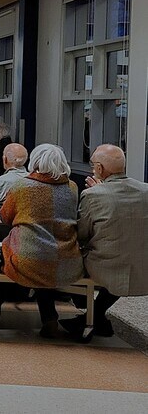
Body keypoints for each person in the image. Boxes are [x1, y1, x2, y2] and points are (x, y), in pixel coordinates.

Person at [0, 144, 83, 338]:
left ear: (34, 162)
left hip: (28, 258)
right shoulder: (72, 187)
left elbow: (5, 217)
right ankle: (49, 318)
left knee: (6, 260)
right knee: (45, 266)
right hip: (66, 257)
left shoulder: (22, 187)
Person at [62, 145, 148, 340]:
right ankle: (98, 317)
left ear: (99, 169)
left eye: (93, 165)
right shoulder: (145, 190)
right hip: (141, 264)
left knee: (66, 259)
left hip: (106, 266)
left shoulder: (93, 195)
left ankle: (89, 315)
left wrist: (98, 192)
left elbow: (82, 234)